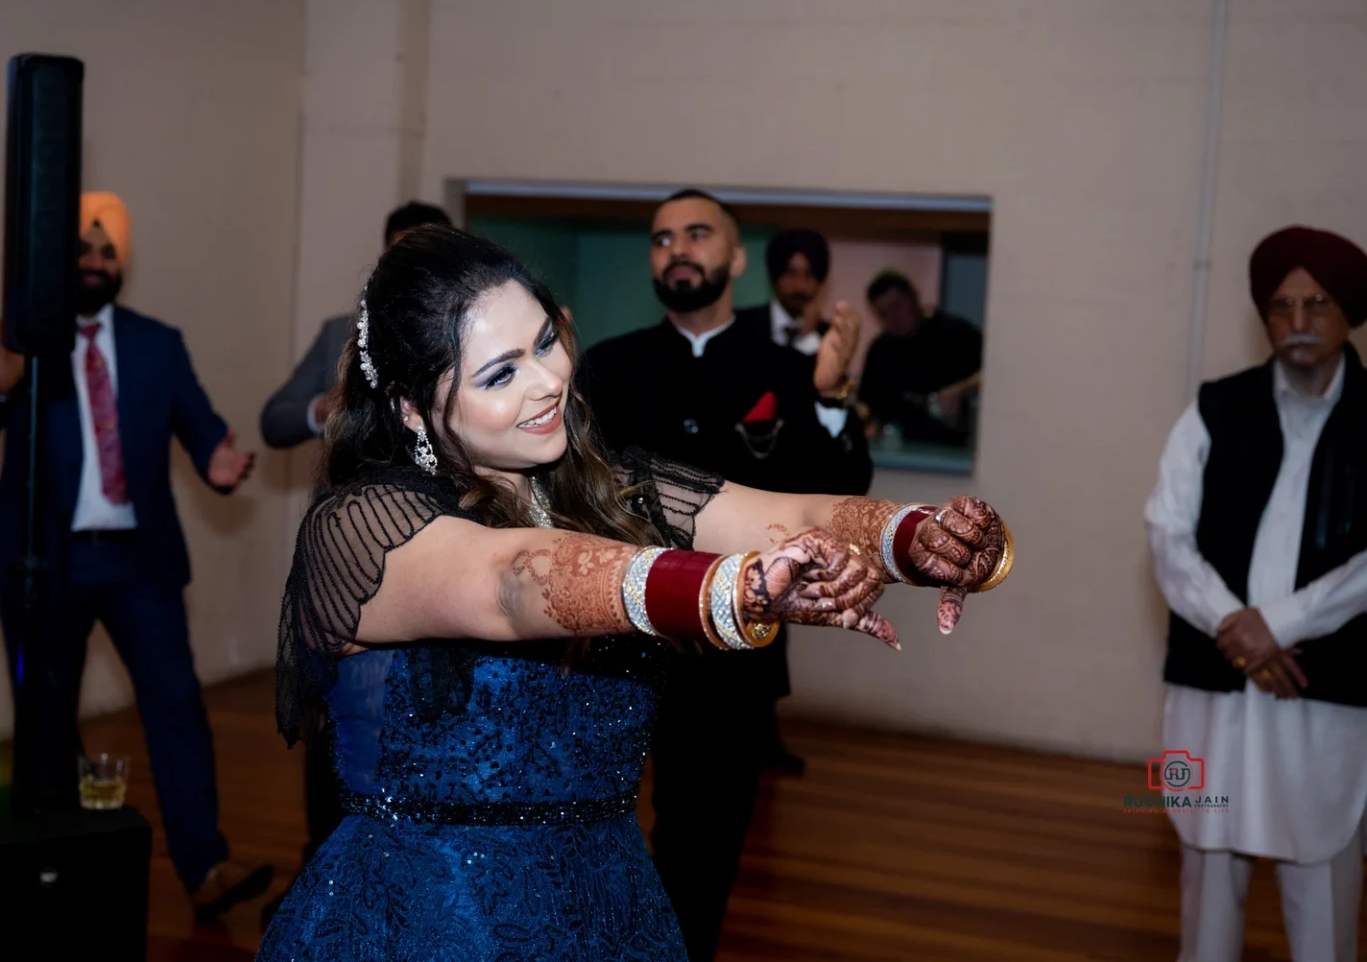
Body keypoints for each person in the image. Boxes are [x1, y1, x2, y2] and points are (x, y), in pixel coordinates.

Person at [256, 225, 1010, 961]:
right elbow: (514, 580)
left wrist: (926, 538)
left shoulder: (613, 486)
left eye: (546, 341)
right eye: (500, 372)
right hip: (431, 914)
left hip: (607, 900)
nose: (549, 380)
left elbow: (795, 513)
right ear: (414, 408)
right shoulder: (358, 527)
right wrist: (731, 587)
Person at [0, 192, 273, 922]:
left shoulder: (159, 342)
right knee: (48, 723)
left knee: (177, 707)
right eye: (84, 252)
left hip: (140, 565)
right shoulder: (18, 338)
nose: (94, 264)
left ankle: (206, 867)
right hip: (44, 564)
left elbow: (201, 422)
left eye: (108, 253)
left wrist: (218, 459)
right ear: (62, 261)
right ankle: (63, 874)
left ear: (123, 265)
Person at [577, 190, 872, 960]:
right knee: (579, 829)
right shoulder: (607, 367)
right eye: (661, 238)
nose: (676, 249)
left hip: (732, 653)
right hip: (611, 645)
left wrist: (834, 397)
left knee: (702, 852)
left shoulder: (787, 369)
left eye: (697, 234)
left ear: (737, 260)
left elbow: (841, 494)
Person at [1146, 224, 1367, 962]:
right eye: (1282, 306)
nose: (1298, 324)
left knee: (1322, 875)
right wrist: (1236, 630)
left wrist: (1281, 623)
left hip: (1322, 693)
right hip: (1216, 687)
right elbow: (1167, 534)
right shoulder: (1215, 407)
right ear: (1263, 316)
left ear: (1349, 313)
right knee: (1207, 873)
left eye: (1318, 304)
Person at [257, 199, 454, 928]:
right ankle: (325, 876)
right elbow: (274, 419)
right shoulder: (343, 338)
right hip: (346, 569)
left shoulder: (466, 345)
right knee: (334, 725)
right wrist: (325, 406)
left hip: (434, 569)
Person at [261, 201, 453, 450]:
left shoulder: (465, 336)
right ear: (385, 261)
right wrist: (325, 408)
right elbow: (274, 422)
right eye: (403, 258)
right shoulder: (339, 333)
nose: (413, 272)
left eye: (425, 261)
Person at [857, 270, 983, 447]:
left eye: (896, 307)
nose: (893, 318)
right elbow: (867, 403)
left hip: (953, 447)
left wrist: (962, 388)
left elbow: (994, 372)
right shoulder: (880, 350)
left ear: (913, 297)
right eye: (883, 314)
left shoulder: (955, 333)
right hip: (899, 448)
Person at [738, 227, 835, 356]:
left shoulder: (830, 335)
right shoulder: (743, 326)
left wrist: (809, 336)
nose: (800, 286)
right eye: (790, 273)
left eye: (809, 275)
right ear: (774, 278)